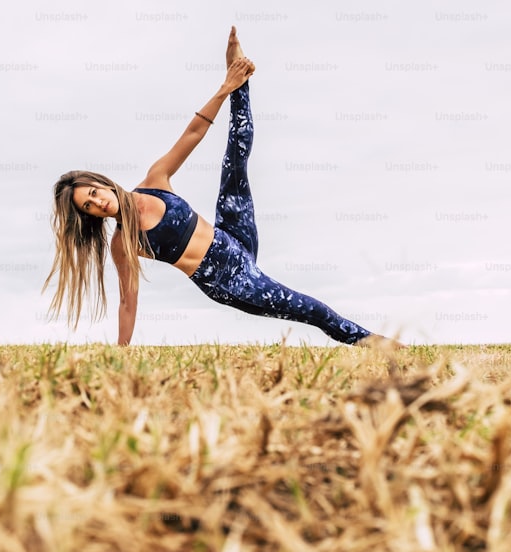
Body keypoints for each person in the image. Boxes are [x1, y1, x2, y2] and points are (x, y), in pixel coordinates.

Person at [43, 27, 400, 348]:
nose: (98, 204)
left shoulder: (154, 182)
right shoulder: (124, 242)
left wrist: (225, 87)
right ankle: (374, 343)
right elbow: (127, 300)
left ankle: (239, 75)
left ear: (100, 183)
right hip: (230, 281)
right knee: (312, 309)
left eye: (93, 194)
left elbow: (194, 132)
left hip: (233, 236)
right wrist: (122, 351)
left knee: (235, 159)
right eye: (88, 208)